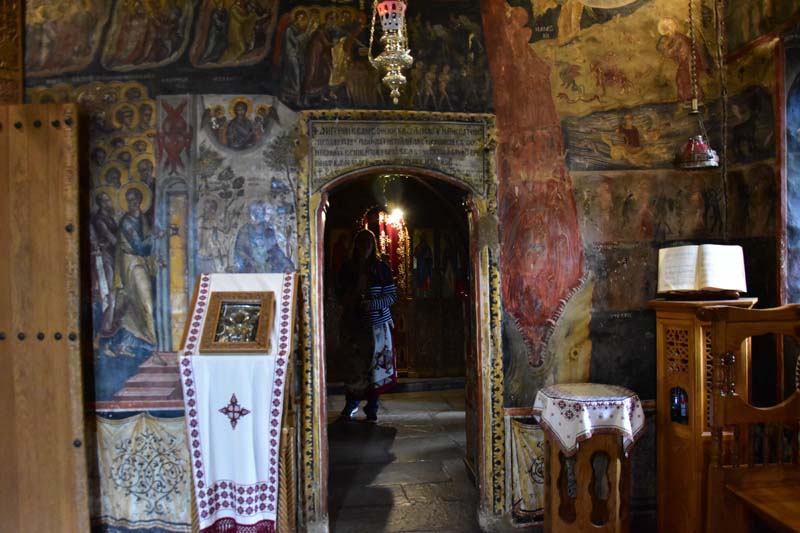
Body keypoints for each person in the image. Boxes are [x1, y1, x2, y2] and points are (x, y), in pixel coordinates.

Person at [337, 229, 398, 422]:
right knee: (354, 366)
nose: (364, 247)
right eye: (361, 243)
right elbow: (338, 293)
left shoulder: (381, 268)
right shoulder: (347, 268)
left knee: (375, 367)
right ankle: (352, 403)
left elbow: (391, 296)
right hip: (353, 325)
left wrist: (372, 304)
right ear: (355, 245)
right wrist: (350, 299)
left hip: (376, 325)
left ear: (373, 246)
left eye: (368, 243)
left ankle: (372, 406)